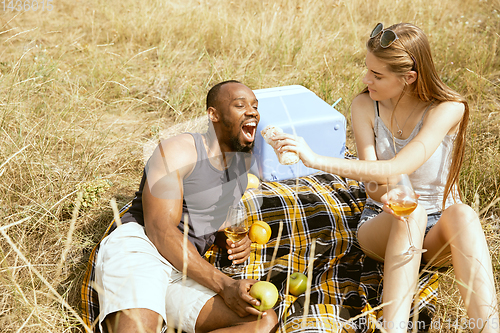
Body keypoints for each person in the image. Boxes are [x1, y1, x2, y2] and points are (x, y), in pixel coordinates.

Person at [271, 23, 499, 333]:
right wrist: (386, 196)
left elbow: (401, 164)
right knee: (411, 211)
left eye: (377, 76)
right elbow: (374, 186)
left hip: (439, 235)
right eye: (368, 70)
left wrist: (315, 160)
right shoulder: (365, 105)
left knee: (464, 214)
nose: (366, 80)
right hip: (383, 224)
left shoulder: (449, 109)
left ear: (409, 78)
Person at [94, 80, 278, 333]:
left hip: (184, 267)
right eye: (240, 105)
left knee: (260, 321)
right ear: (213, 114)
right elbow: (159, 229)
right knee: (138, 328)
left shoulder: (240, 169)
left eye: (255, 106)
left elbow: (209, 222)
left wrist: (230, 240)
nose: (252, 111)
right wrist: (224, 284)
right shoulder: (178, 150)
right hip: (143, 247)